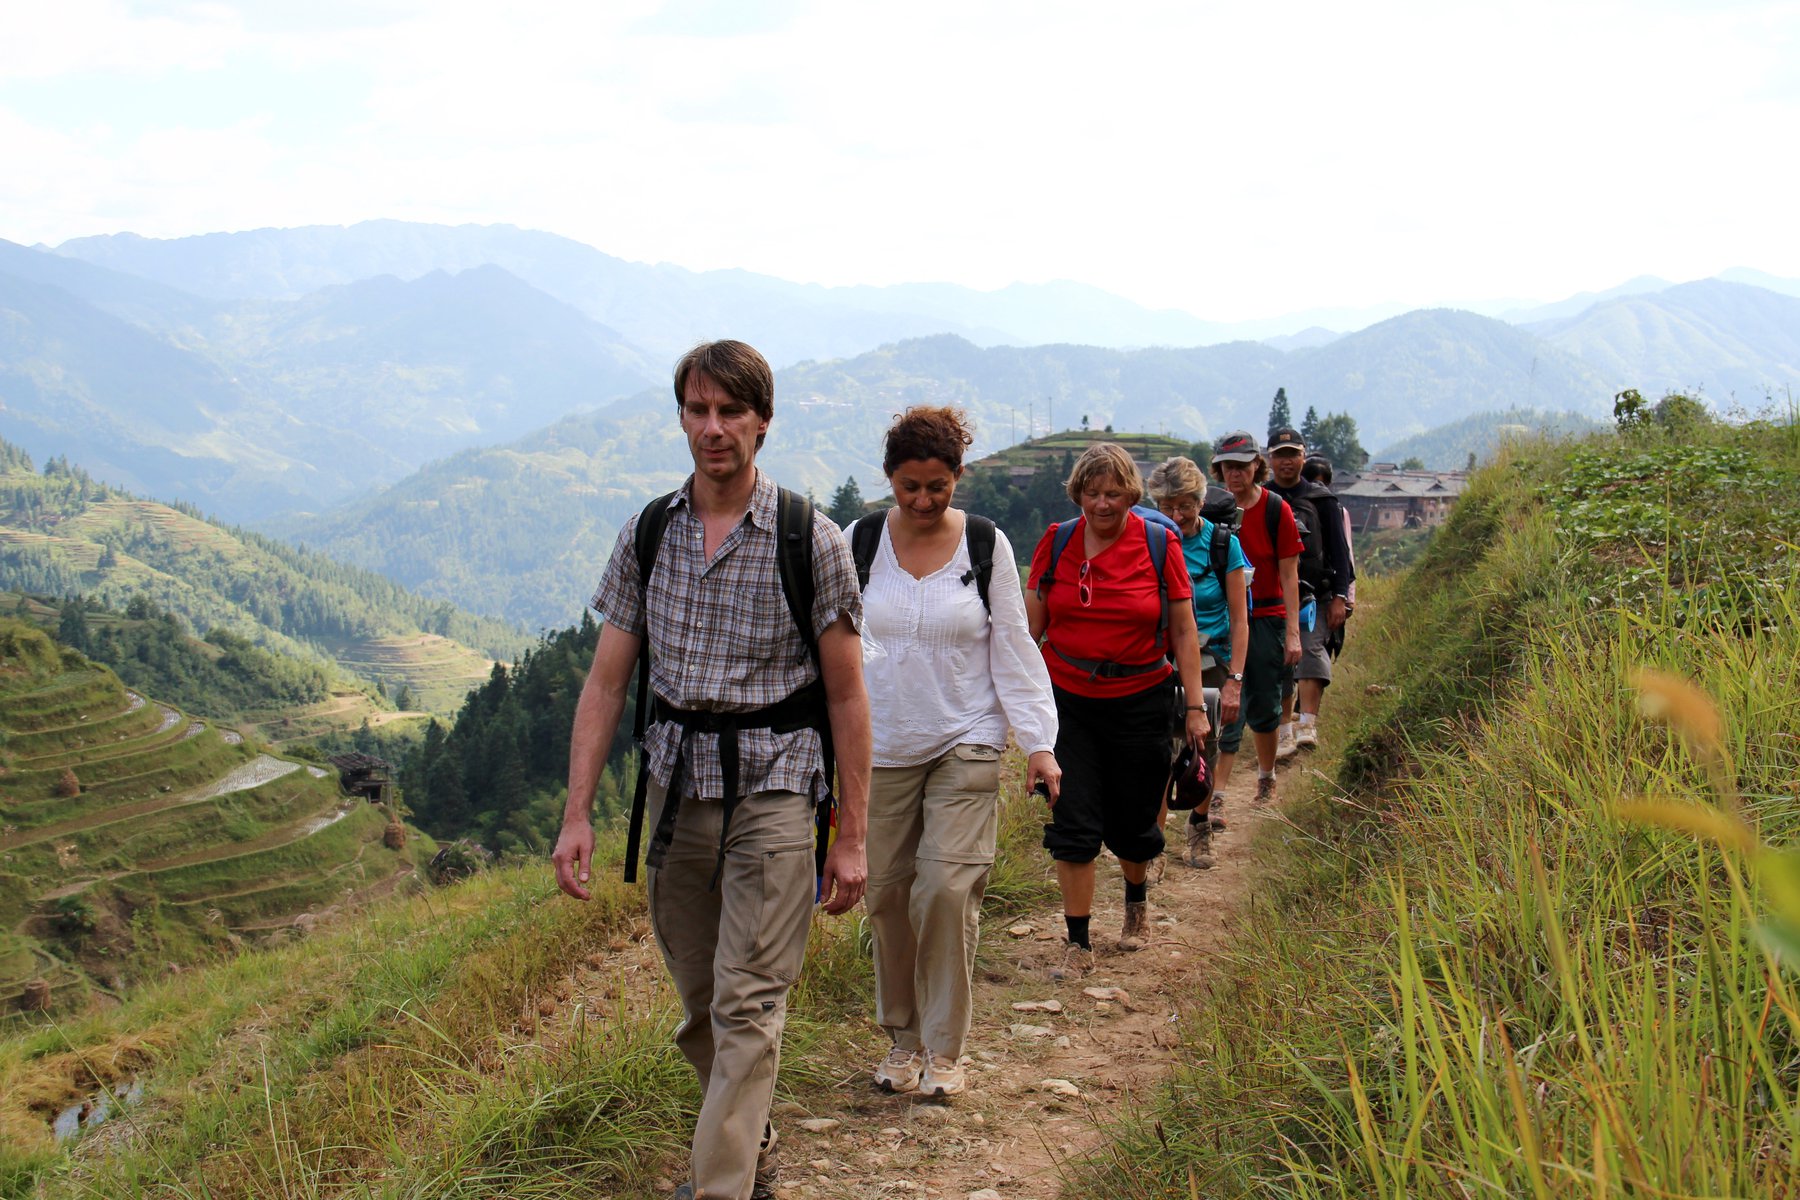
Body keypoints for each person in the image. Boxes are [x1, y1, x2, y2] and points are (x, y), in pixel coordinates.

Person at [553, 340, 871, 1200]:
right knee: (703, 1006)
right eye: (698, 410)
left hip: (776, 785)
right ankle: (750, 1129)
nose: (713, 428)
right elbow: (608, 679)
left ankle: (719, 1187)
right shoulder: (649, 531)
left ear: (762, 421)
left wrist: (850, 836)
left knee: (748, 1006)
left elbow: (847, 698)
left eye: (731, 412)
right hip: (675, 789)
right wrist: (577, 813)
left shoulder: (812, 538)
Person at [852, 407, 1062, 1099]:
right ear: (889, 479)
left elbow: (1012, 642)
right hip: (880, 747)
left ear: (957, 478)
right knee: (885, 897)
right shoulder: (859, 542)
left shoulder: (984, 543)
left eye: (936, 486)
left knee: (944, 891)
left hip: (965, 739)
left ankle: (944, 1049)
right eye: (909, 486)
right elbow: (836, 647)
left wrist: (1038, 743)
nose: (921, 500)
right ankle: (903, 1038)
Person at [1024, 443, 1208, 978]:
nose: (1102, 503)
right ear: (1077, 492)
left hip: (1141, 700)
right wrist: (1014, 702)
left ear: (1131, 493)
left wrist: (1195, 707)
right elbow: (1029, 630)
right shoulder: (1056, 543)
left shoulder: (1158, 542)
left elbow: (1182, 630)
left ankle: (1135, 902)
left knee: (1133, 818)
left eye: (1113, 493)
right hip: (1068, 703)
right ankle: (1077, 942)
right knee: (1073, 818)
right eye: (1091, 492)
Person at [1147, 456, 1248, 868]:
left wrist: (1235, 680)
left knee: (1200, 747)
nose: (1176, 514)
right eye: (1167, 505)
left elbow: (1241, 618)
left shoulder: (1223, 545)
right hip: (1159, 661)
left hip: (1211, 660)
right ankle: (1152, 844)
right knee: (1155, 753)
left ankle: (1199, 827)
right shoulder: (1149, 541)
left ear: (1201, 502)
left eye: (1185, 504)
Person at [1209, 431, 1301, 806]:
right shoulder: (1212, 511)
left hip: (1265, 616)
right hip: (1225, 621)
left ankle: (1266, 776)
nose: (1235, 474)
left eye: (1243, 466)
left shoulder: (1276, 509)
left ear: (1256, 467)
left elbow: (1289, 573)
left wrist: (1293, 631)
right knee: (1225, 706)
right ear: (1219, 470)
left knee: (1265, 703)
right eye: (1228, 467)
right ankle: (1217, 794)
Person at [1265, 428, 1354, 753]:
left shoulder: (1322, 499)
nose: (1286, 461)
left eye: (1292, 454)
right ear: (1269, 458)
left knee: (1312, 651)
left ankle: (1307, 725)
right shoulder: (1263, 498)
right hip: (1271, 593)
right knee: (1278, 661)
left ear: (1304, 456)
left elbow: (1339, 551)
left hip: (1317, 592)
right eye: (1280, 455)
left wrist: (1341, 598)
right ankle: (1284, 730)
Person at [1303, 455, 1356, 660]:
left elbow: (1345, 552)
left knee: (1318, 646)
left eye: (1322, 483)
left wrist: (1345, 597)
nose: (1318, 487)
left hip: (1326, 589)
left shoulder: (1335, 509)